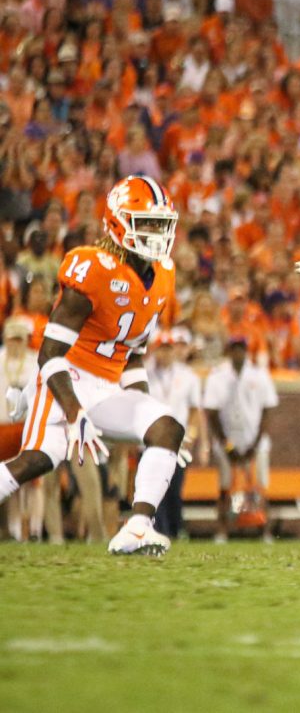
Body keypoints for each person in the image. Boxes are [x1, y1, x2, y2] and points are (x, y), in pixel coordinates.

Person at [0, 176, 190, 555]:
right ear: (120, 222)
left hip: (106, 387)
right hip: (63, 380)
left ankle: (136, 529)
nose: (156, 233)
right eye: (146, 222)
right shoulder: (95, 268)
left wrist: (146, 422)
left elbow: (133, 353)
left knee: (168, 428)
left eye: (160, 224)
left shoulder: (163, 274)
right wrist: (73, 412)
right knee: (38, 460)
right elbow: (49, 353)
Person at [203, 336, 279, 542]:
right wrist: (227, 445)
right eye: (235, 349)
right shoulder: (218, 376)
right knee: (226, 486)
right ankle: (222, 530)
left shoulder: (258, 374)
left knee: (260, 486)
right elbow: (211, 412)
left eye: (241, 349)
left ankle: (265, 530)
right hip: (228, 440)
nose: (238, 353)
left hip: (255, 440)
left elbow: (267, 410)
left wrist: (254, 445)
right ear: (229, 352)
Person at [147, 329, 205, 539]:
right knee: (155, 487)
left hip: (177, 440)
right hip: (152, 440)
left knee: (174, 488)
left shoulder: (187, 376)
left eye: (168, 349)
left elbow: (194, 410)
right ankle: (161, 530)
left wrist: (191, 435)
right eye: (161, 349)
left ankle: (175, 528)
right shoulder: (145, 374)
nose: (165, 354)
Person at [2, 317, 39, 540]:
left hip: (27, 427)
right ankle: (10, 529)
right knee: (7, 481)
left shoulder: (35, 363)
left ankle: (33, 529)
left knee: (34, 484)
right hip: (3, 427)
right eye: (11, 339)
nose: (15, 344)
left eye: (19, 339)